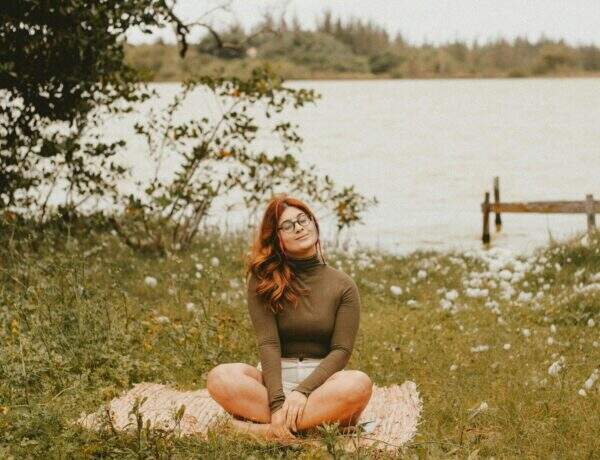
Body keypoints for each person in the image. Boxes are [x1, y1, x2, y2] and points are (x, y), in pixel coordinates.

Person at [206, 194, 373, 441]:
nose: (299, 227)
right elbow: (268, 343)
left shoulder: (344, 285)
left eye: (303, 220)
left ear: (314, 223)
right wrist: (276, 404)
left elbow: (341, 350)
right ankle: (314, 426)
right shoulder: (263, 280)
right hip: (272, 382)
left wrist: (303, 392)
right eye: (288, 225)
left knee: (358, 384)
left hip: (322, 385)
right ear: (277, 237)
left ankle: (259, 431)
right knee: (220, 377)